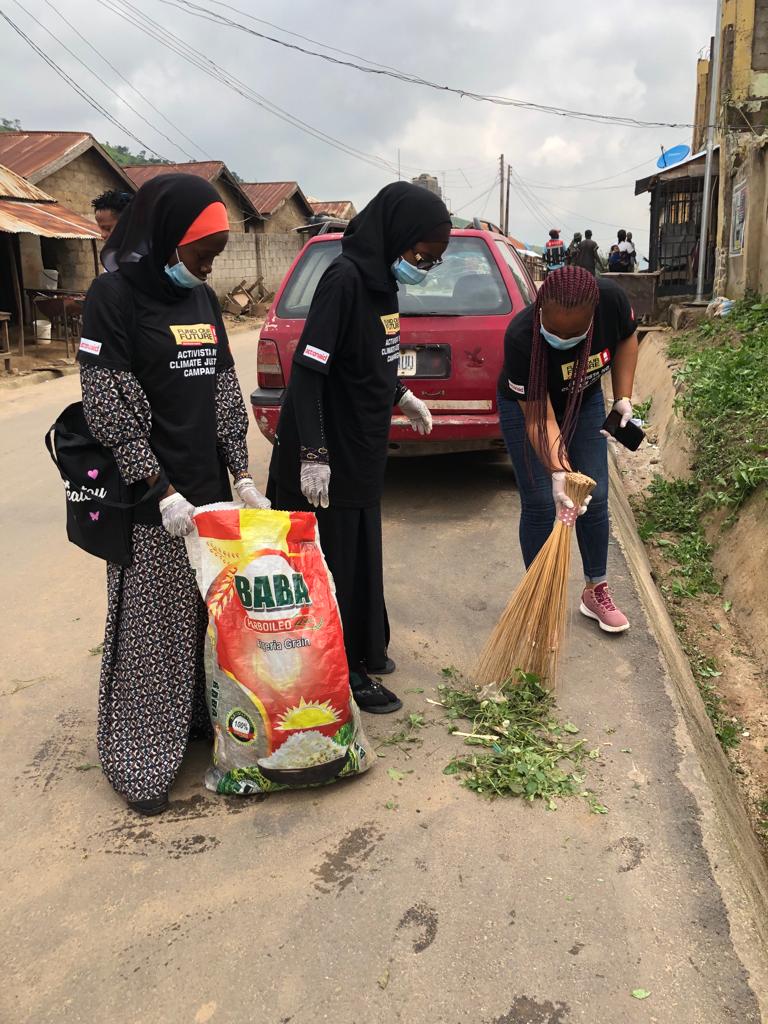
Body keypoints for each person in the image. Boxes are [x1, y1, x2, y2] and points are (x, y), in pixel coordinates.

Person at [78, 174, 269, 816]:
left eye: (216, 255)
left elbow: (222, 386)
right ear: (165, 239)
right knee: (153, 635)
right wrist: (159, 489)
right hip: (150, 503)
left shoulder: (203, 299)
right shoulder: (112, 297)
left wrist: (241, 473)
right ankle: (140, 760)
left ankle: (195, 726)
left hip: (208, 497)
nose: (209, 267)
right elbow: (106, 403)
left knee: (206, 624)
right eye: (203, 254)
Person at [267, 182, 452, 715]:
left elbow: (370, 357)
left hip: (363, 444)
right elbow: (309, 372)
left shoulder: (381, 282)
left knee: (361, 548)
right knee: (336, 562)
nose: (423, 267)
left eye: (433, 261)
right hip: (330, 446)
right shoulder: (344, 280)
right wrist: (313, 455)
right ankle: (342, 671)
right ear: (397, 235)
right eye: (422, 256)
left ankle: (366, 647)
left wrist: (402, 394)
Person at [497, 265, 639, 633]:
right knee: (542, 501)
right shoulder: (521, 337)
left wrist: (622, 397)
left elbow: (627, 338)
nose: (562, 339)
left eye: (573, 334)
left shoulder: (611, 301)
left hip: (583, 398)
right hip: (529, 409)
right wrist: (559, 471)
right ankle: (539, 597)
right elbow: (540, 419)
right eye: (554, 331)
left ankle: (595, 590)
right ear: (540, 309)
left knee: (595, 493)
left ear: (593, 316)